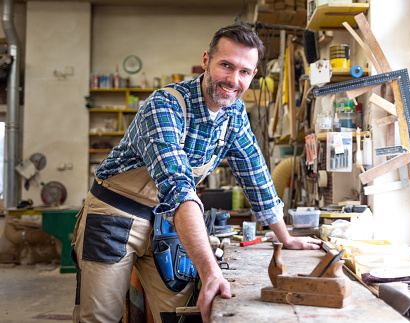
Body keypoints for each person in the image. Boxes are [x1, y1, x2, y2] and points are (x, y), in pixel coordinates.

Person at [71, 24, 322, 323]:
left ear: (253, 75)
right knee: (101, 316)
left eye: (244, 71)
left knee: (184, 312)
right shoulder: (165, 105)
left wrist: (286, 237)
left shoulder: (234, 115)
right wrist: (210, 270)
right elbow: (178, 189)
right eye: (226, 65)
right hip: (114, 216)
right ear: (206, 61)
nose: (233, 80)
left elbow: (256, 175)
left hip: (166, 220)